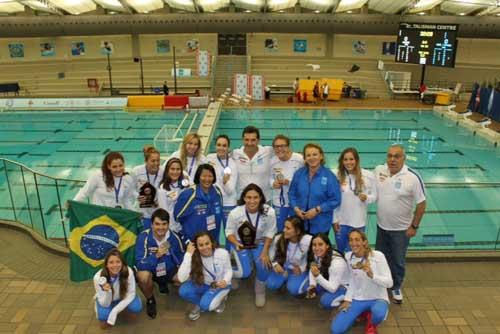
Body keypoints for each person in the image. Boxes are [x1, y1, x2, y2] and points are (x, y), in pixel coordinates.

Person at [374, 144, 426, 304]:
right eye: (389, 156)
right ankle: (382, 284)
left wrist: (414, 226)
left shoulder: (412, 177)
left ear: (404, 158)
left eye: (397, 156)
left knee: (397, 260)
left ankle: (396, 286)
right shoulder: (379, 170)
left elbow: (422, 204)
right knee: (380, 257)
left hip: (401, 230)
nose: (392, 159)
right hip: (381, 226)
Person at [331, 229, 393, 334]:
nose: (353, 243)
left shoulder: (378, 256)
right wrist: (347, 299)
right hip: (358, 298)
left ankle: (372, 323)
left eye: (357, 240)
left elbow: (389, 283)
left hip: (378, 298)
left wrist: (372, 275)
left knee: (378, 313)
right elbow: (352, 280)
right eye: (351, 240)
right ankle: (364, 312)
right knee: (336, 330)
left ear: (364, 242)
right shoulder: (348, 256)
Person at [225, 183, 277, 307]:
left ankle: (260, 290)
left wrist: (264, 252)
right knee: (245, 273)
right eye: (248, 197)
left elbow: (271, 232)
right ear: (243, 198)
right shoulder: (235, 213)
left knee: (263, 265)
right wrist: (236, 243)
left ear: (260, 198)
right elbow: (229, 232)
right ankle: (232, 275)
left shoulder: (268, 211)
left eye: (255, 197)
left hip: (260, 244)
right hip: (241, 244)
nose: (252, 201)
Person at [135, 209, 184, 319]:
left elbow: (181, 259)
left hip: (168, 271)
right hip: (151, 271)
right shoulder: (143, 237)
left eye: (164, 224)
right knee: (142, 277)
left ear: (168, 224)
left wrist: (181, 268)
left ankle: (165, 283)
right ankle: (150, 299)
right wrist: (156, 256)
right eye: (157, 224)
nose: (161, 228)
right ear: (152, 224)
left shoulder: (174, 238)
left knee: (186, 277)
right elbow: (140, 263)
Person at [177, 232, 232, 321]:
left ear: (212, 242)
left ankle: (219, 300)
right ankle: (201, 303)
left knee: (207, 306)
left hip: (221, 285)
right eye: (201, 245)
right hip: (205, 284)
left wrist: (225, 280)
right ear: (196, 246)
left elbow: (229, 270)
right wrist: (188, 254)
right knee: (184, 291)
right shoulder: (194, 256)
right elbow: (181, 278)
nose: (205, 247)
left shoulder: (223, 253)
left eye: (207, 243)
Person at [289, 143, 341, 235]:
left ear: (321, 156)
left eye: (315, 154)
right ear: (304, 158)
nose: (311, 158)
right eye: (308, 155)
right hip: (300, 223)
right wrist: (296, 208)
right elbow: (291, 193)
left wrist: (317, 210)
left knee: (318, 249)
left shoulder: (329, 176)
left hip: (321, 224)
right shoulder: (299, 174)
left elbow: (336, 199)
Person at [334, 147, 377, 253]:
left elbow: (375, 196)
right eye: (345, 159)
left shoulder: (368, 175)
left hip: (358, 222)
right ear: (342, 161)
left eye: (351, 159)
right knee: (341, 251)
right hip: (341, 221)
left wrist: (367, 198)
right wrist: (334, 220)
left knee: (355, 251)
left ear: (357, 160)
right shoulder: (336, 175)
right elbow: (332, 199)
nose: (348, 162)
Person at [174, 164, 224, 243]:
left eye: (210, 176)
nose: (207, 179)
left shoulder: (217, 193)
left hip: (212, 242)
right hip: (192, 242)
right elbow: (177, 217)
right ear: (198, 176)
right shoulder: (189, 194)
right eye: (204, 176)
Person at [93, 249, 142, 328]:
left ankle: (119, 307)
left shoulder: (128, 271)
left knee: (136, 307)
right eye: (111, 262)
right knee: (103, 320)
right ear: (106, 265)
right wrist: (108, 292)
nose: (115, 265)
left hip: (122, 296)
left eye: (118, 262)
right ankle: (103, 307)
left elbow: (131, 294)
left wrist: (115, 311)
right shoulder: (98, 278)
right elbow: (105, 303)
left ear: (122, 263)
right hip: (106, 300)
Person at [266, 216, 312, 296]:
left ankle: (303, 280)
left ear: (297, 231)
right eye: (284, 227)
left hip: (298, 270)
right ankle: (286, 279)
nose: (284, 230)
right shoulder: (279, 238)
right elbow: (271, 253)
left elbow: (314, 258)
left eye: (288, 228)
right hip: (283, 268)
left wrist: (302, 268)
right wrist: (275, 264)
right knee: (271, 284)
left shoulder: (308, 240)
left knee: (294, 290)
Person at [269, 134, 304, 231]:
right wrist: (273, 184)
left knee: (296, 230)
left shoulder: (299, 159)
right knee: (281, 230)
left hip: (297, 203)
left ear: (288, 146)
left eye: (283, 146)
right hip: (279, 203)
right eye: (276, 146)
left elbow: (305, 180)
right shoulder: (272, 161)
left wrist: (289, 182)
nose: (280, 149)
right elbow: (269, 178)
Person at [306, 233, 348, 309]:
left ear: (327, 245)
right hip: (331, 280)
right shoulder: (318, 254)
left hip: (343, 286)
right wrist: (313, 285)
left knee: (326, 302)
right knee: (308, 288)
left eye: (320, 244)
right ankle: (322, 291)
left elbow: (332, 289)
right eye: (314, 245)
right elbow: (313, 268)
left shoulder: (337, 263)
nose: (317, 248)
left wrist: (317, 276)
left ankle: (347, 302)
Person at [206, 135, 239, 232]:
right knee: (212, 230)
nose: (221, 148)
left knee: (229, 232)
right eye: (219, 145)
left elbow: (230, 191)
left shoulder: (232, 164)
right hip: (212, 202)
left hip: (228, 203)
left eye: (224, 146)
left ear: (228, 148)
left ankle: (229, 248)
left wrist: (225, 182)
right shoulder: (209, 158)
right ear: (215, 146)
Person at [232, 126, 274, 200]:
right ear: (242, 140)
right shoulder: (235, 153)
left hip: (264, 198)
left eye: (253, 140)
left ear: (258, 140)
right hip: (242, 198)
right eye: (246, 140)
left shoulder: (268, 151)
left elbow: (284, 152)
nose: (249, 143)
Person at [132, 145, 164, 230]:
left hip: (158, 215)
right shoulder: (136, 171)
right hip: (143, 214)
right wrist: (137, 196)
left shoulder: (163, 171)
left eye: (158, 160)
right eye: (153, 161)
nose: (156, 163)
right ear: (146, 161)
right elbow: (130, 189)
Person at [157, 157, 190, 233]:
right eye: (172, 169)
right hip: (172, 228)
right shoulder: (163, 189)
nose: (175, 172)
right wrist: (171, 229)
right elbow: (164, 212)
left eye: (178, 169)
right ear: (167, 171)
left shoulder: (185, 185)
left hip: (185, 226)